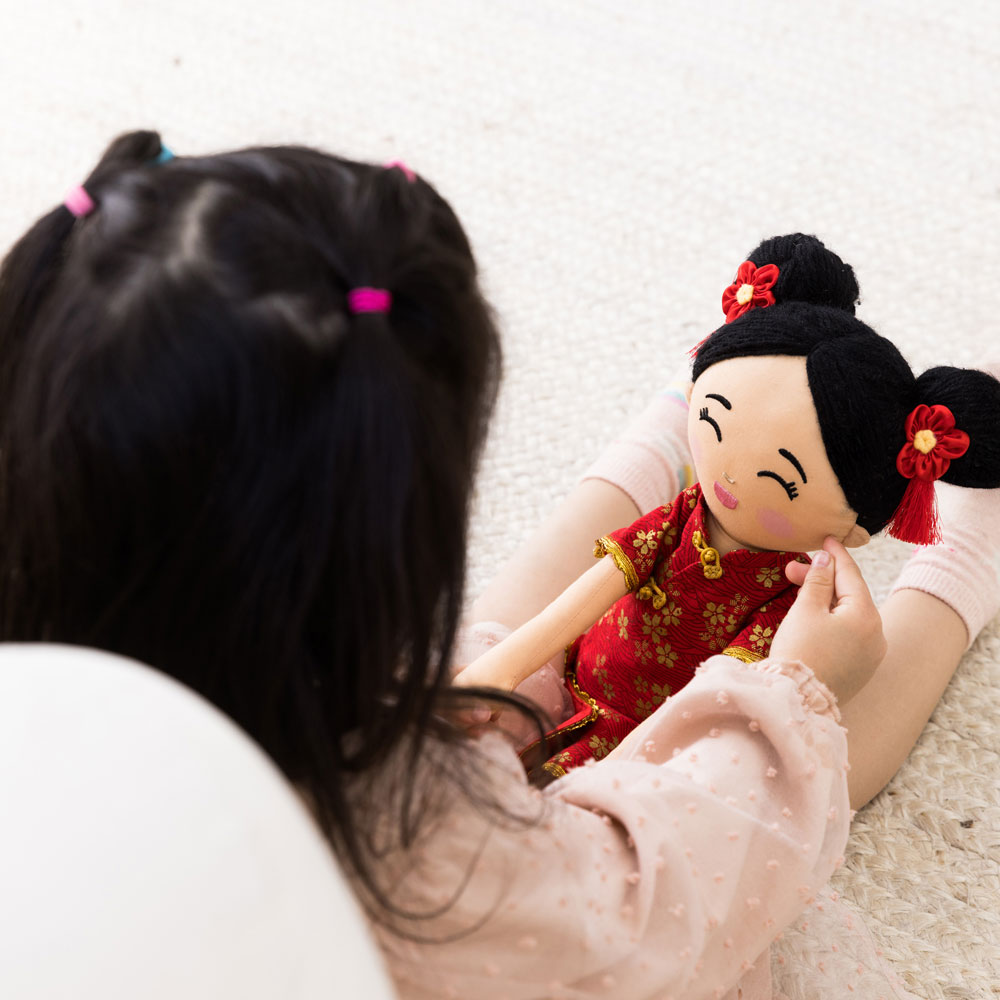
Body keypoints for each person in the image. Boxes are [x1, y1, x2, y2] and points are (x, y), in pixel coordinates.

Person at [0, 131, 992, 998]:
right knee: (797, 747)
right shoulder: (424, 864)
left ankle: (697, 426)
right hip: (556, 870)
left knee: (511, 644)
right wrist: (788, 690)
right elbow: (661, 904)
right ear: (377, 562)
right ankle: (961, 569)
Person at [455, 235, 1000, 783]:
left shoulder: (780, 585)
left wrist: (495, 672)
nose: (735, 481)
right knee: (825, 768)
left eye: (782, 479)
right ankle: (966, 551)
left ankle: (686, 424)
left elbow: (715, 692)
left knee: (493, 629)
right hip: (628, 751)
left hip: (638, 737)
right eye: (712, 417)